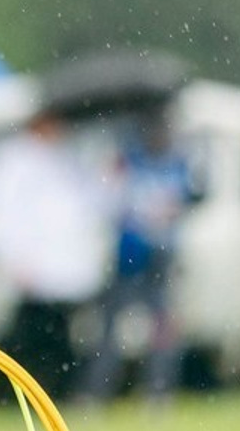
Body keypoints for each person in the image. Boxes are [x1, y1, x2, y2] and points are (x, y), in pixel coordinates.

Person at [0, 107, 112, 400]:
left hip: (65, 271)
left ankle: (57, 394)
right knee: (31, 339)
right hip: (32, 270)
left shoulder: (67, 158)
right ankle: (22, 393)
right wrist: (14, 258)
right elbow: (3, 215)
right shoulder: (13, 160)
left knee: (64, 338)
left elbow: (86, 205)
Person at [80, 108, 195, 404]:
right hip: (128, 257)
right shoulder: (128, 161)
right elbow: (110, 204)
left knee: (162, 328)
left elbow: (186, 201)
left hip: (161, 257)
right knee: (110, 329)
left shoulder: (179, 164)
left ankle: (159, 391)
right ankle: (98, 391)